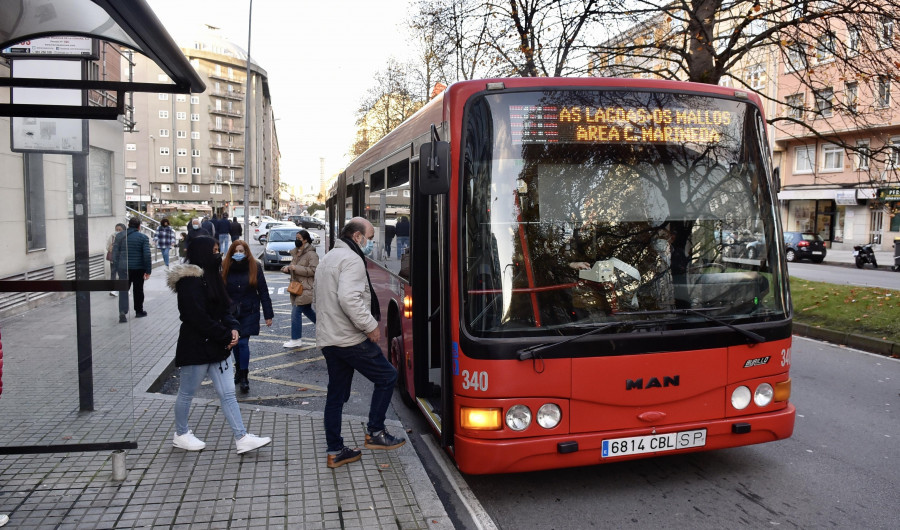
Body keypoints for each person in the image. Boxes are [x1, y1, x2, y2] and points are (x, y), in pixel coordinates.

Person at [166, 235, 272, 454]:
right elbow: (197, 317)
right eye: (214, 250)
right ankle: (181, 434)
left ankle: (241, 437)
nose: (218, 253)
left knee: (227, 393)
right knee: (187, 392)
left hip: (218, 346)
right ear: (202, 252)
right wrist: (226, 335)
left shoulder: (212, 276)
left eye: (218, 249)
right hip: (196, 346)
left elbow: (225, 307)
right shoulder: (189, 282)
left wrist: (234, 328)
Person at [316, 216, 404, 469]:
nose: (370, 245)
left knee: (336, 396)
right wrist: (371, 326)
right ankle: (376, 432)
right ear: (357, 237)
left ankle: (335, 451)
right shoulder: (352, 259)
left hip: (330, 339)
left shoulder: (330, 257)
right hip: (349, 339)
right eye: (370, 239)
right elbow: (349, 299)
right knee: (387, 376)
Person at [222, 240, 274, 393]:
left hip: (249, 311)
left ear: (246, 252)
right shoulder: (225, 267)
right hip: (231, 313)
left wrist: (268, 314)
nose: (239, 254)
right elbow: (220, 291)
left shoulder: (255, 266)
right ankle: (238, 370)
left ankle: (244, 376)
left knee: (243, 343)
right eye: (236, 251)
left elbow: (263, 291)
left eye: (241, 251)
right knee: (235, 343)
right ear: (231, 253)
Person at [281, 229, 317, 349]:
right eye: (296, 238)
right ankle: (327, 328)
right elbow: (294, 267)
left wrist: (296, 268)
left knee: (296, 312)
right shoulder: (297, 252)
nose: (296, 240)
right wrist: (287, 268)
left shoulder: (311, 254)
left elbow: (314, 270)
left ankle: (296, 339)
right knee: (307, 310)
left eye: (299, 238)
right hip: (297, 288)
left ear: (305, 240)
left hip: (306, 288)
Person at [113, 217, 151, 323]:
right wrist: (148, 270)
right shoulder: (143, 237)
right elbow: (146, 255)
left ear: (128, 225)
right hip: (138, 268)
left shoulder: (119, 236)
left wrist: (116, 266)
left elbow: (115, 253)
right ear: (139, 226)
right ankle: (139, 311)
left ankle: (122, 312)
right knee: (138, 289)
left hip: (123, 268)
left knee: (124, 290)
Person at [106, 223, 126, 296]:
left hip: (123, 260)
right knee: (113, 274)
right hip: (114, 259)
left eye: (119, 230)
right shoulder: (112, 236)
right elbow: (107, 246)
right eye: (116, 229)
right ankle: (114, 289)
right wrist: (110, 247)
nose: (117, 231)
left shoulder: (126, 237)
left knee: (122, 275)